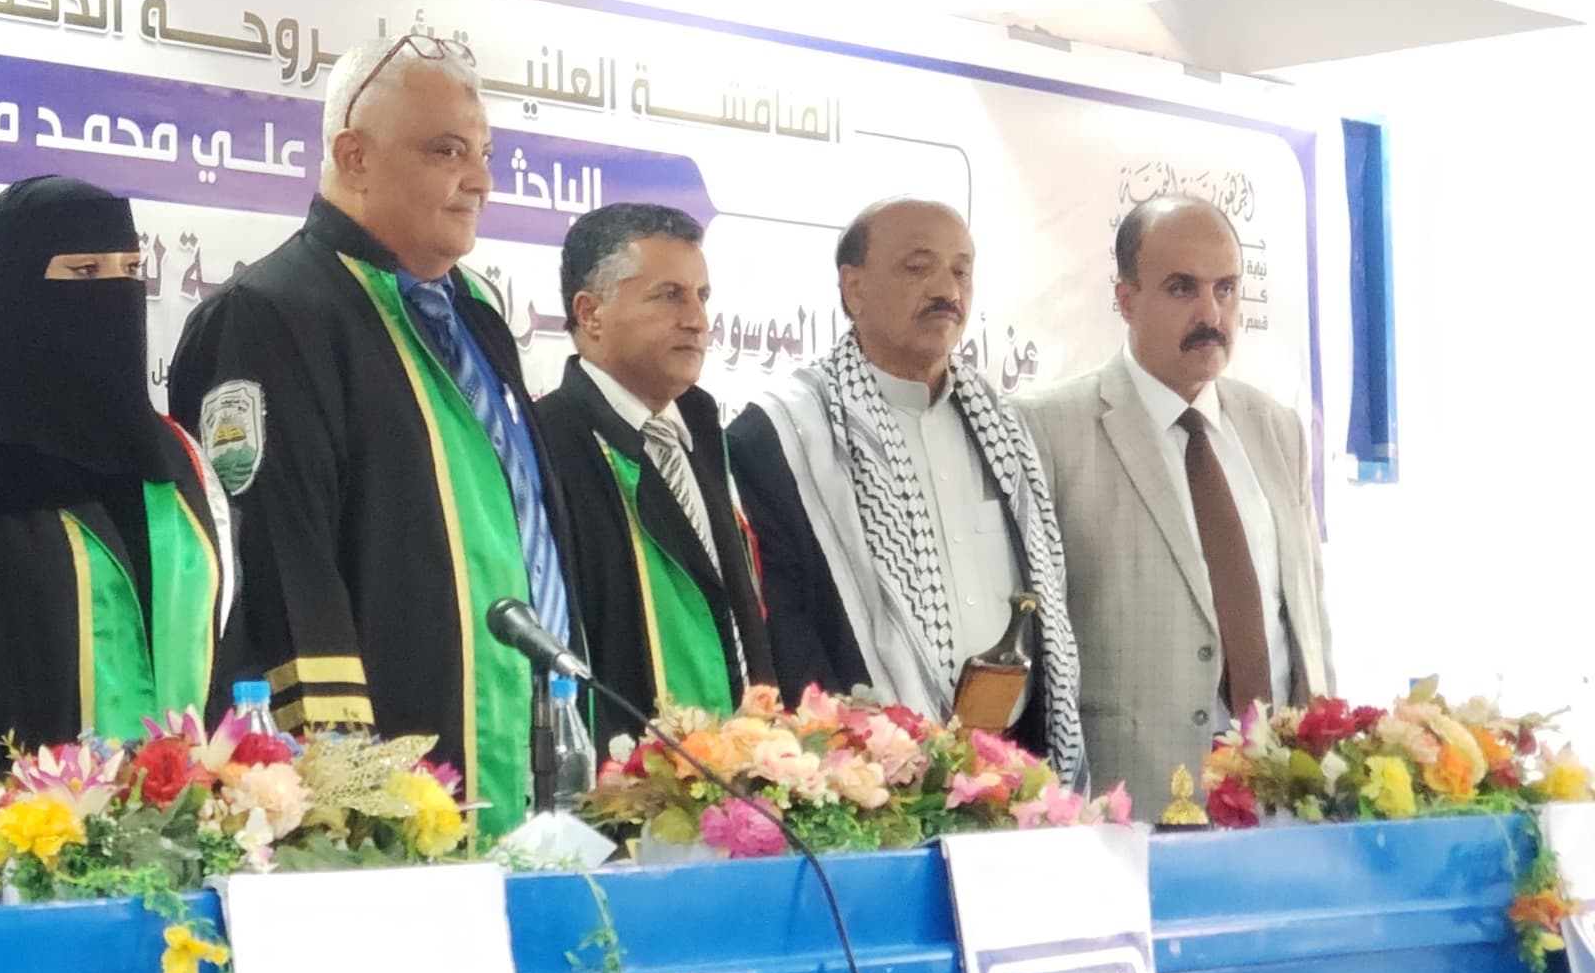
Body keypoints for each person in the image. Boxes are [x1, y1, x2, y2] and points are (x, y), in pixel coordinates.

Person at [167, 34, 579, 838]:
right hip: (390, 816)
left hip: (538, 783)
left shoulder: (475, 319)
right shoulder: (271, 316)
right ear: (353, 157)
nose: (481, 181)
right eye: (447, 151)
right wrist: (348, 797)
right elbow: (281, 574)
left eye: (486, 154)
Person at [0, 176, 233, 879]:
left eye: (130, 270)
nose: (115, 294)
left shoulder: (177, 467)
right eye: (84, 272)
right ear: (13, 292)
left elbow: (226, 656)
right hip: (11, 884)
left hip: (189, 871)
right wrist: (17, 851)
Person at [726, 197, 1081, 779]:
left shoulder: (1004, 427)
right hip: (863, 774)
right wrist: (852, 763)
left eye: (961, 270)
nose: (947, 290)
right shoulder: (782, 434)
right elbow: (784, 629)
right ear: (853, 289)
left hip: (1012, 764)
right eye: (918, 267)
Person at [1020, 196, 1333, 813]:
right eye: (1182, 288)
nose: (1210, 313)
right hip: (1126, 805)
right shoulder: (1048, 431)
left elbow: (1308, 621)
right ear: (1126, 298)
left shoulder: (1277, 429)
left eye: (1226, 289)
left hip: (1280, 799)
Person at [535, 203, 772, 739]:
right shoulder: (548, 445)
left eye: (701, 296)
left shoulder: (704, 433)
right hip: (625, 770)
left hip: (737, 766)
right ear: (590, 313)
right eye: (669, 295)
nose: (696, 320)